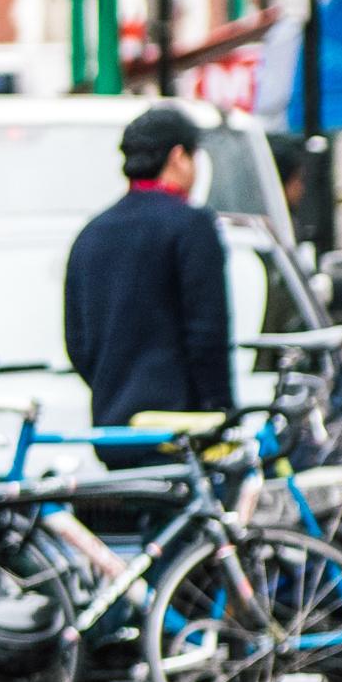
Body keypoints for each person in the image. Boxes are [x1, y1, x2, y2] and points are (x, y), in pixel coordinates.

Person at [64, 104, 235, 468]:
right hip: (179, 434)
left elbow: (78, 343)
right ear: (179, 157)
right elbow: (207, 334)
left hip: (114, 433)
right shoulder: (191, 226)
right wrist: (222, 412)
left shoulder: (91, 233)